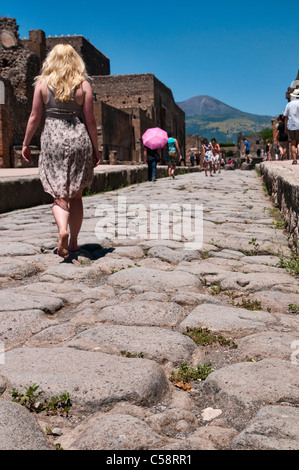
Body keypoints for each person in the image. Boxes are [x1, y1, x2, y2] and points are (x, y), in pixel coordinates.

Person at [22, 44, 100, 259]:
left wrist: (26, 143)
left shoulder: (42, 83)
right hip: (78, 138)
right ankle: (73, 242)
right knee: (76, 194)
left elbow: (34, 117)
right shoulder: (83, 85)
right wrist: (96, 148)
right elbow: (91, 120)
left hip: (52, 139)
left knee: (59, 194)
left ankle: (61, 230)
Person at [284, 88, 299, 164]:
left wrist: (285, 128)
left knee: (293, 143)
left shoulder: (289, 104)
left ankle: (295, 160)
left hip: (291, 125)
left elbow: (286, 117)